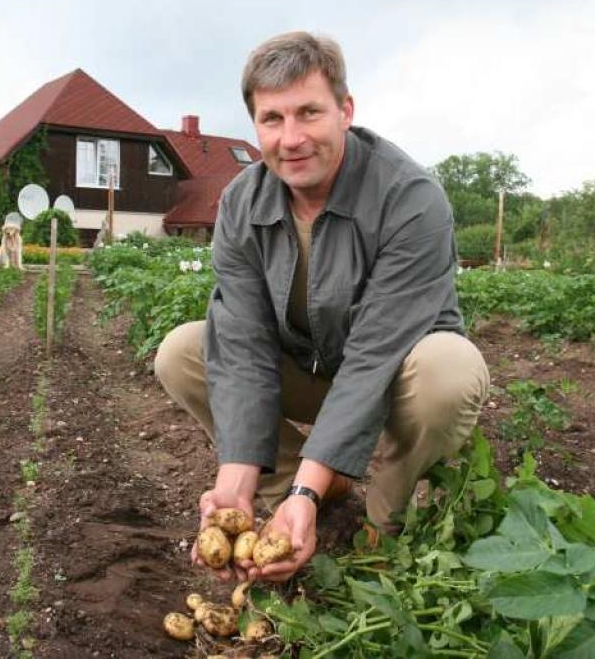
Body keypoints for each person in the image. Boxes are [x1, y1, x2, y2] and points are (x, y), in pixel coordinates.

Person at [154, 31, 489, 583]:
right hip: (308, 369)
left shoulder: (410, 199)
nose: (291, 139)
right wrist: (234, 483)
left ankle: (384, 525)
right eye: (272, 119)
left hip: (395, 379)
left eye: (309, 112)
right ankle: (300, 493)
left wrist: (308, 487)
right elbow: (242, 345)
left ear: (345, 111)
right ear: (255, 125)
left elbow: (375, 355)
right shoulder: (241, 203)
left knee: (448, 370)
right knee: (184, 351)